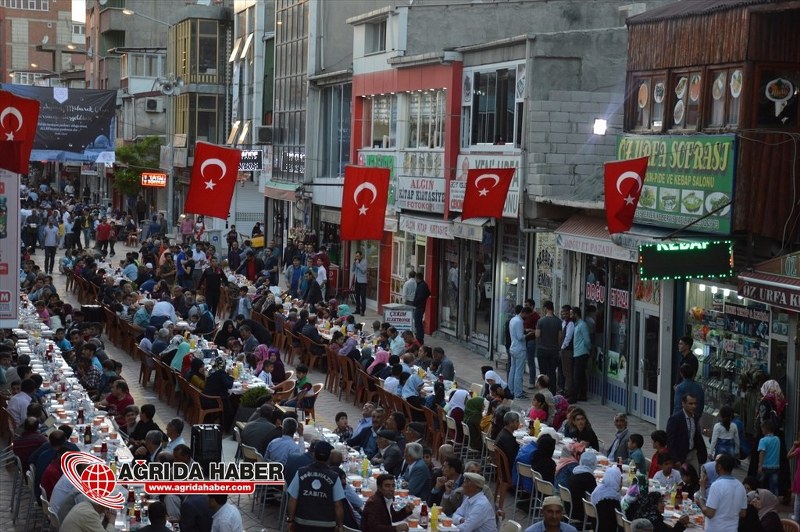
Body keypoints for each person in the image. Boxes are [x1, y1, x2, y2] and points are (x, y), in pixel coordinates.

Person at [285, 441, 345, 531]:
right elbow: (338, 505)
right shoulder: (334, 477)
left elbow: (293, 499)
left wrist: (290, 521)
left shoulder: (301, 473)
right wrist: (340, 526)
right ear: (329, 458)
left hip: (302, 523)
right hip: (326, 525)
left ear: (313, 455)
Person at [696, 454, 746, 532]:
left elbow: (709, 513)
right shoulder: (740, 486)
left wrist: (700, 503)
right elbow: (743, 513)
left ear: (719, 466)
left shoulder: (717, 485)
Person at [666, 393, 707, 472]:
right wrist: (675, 459)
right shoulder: (675, 419)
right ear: (683, 404)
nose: (693, 406)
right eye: (690, 404)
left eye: (695, 403)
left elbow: (696, 436)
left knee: (695, 477)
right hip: (680, 455)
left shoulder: (695, 417)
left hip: (692, 453)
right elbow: (670, 441)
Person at [565, 451, 597, 523]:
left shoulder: (575, 472)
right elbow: (594, 497)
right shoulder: (589, 478)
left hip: (569, 509)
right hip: (582, 514)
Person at [589, 466, 621, 532]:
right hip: (606, 528)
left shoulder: (599, 489)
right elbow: (618, 517)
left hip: (595, 525)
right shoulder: (612, 497)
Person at [570, 307, 591, 402]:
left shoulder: (582, 325)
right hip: (577, 353)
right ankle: (582, 395)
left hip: (581, 353)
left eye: (571, 314)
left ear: (576, 314)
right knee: (581, 376)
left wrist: (588, 349)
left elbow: (587, 340)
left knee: (577, 376)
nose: (570, 316)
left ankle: (574, 397)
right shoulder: (576, 325)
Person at [509, 305, 529, 399]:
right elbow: (520, 337)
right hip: (519, 348)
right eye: (527, 315)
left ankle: (511, 389)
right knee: (519, 371)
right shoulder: (519, 321)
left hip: (513, 347)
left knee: (513, 369)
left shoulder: (513, 320)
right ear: (523, 313)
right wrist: (528, 334)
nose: (527, 317)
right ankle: (518, 393)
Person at [758, 419, 780, 493]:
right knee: (774, 486)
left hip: (765, 467)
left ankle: (761, 500)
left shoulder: (763, 440)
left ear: (765, 429)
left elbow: (762, 453)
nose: (761, 430)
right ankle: (774, 501)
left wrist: (760, 465)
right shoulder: (777, 439)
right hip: (775, 467)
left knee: (761, 485)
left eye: (762, 428)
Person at [559, 305, 575, 398]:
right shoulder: (564, 323)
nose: (563, 315)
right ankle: (563, 388)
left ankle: (568, 391)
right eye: (562, 313)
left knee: (568, 372)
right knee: (562, 371)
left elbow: (568, 337)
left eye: (565, 313)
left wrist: (562, 347)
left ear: (569, 313)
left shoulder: (570, 324)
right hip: (562, 350)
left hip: (567, 350)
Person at [412, 271, 431, 343]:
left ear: (417, 278)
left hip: (419, 306)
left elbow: (420, 297)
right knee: (418, 322)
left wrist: (415, 302)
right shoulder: (423, 284)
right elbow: (428, 293)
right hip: (421, 306)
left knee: (418, 322)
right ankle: (419, 337)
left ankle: (419, 338)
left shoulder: (422, 285)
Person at [351, 250, 368, 315]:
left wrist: (358, 264)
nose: (357, 257)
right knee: (357, 296)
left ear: (361, 256)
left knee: (363, 296)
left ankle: (362, 311)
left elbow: (363, 271)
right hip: (357, 280)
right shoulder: (356, 261)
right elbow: (352, 270)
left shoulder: (365, 261)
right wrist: (354, 263)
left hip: (363, 281)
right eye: (356, 256)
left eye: (358, 256)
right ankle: (357, 309)